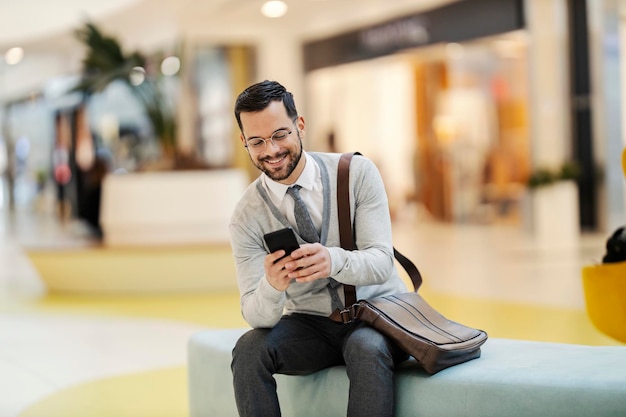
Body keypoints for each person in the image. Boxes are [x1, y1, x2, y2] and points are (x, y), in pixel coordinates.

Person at [229, 80, 408, 417]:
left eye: (280, 134)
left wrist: (332, 260)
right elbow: (255, 315)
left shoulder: (356, 173)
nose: (270, 150)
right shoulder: (245, 217)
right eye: (257, 142)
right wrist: (272, 286)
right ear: (244, 142)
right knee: (249, 350)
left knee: (365, 347)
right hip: (310, 326)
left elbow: (382, 262)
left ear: (300, 125)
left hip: (375, 315)